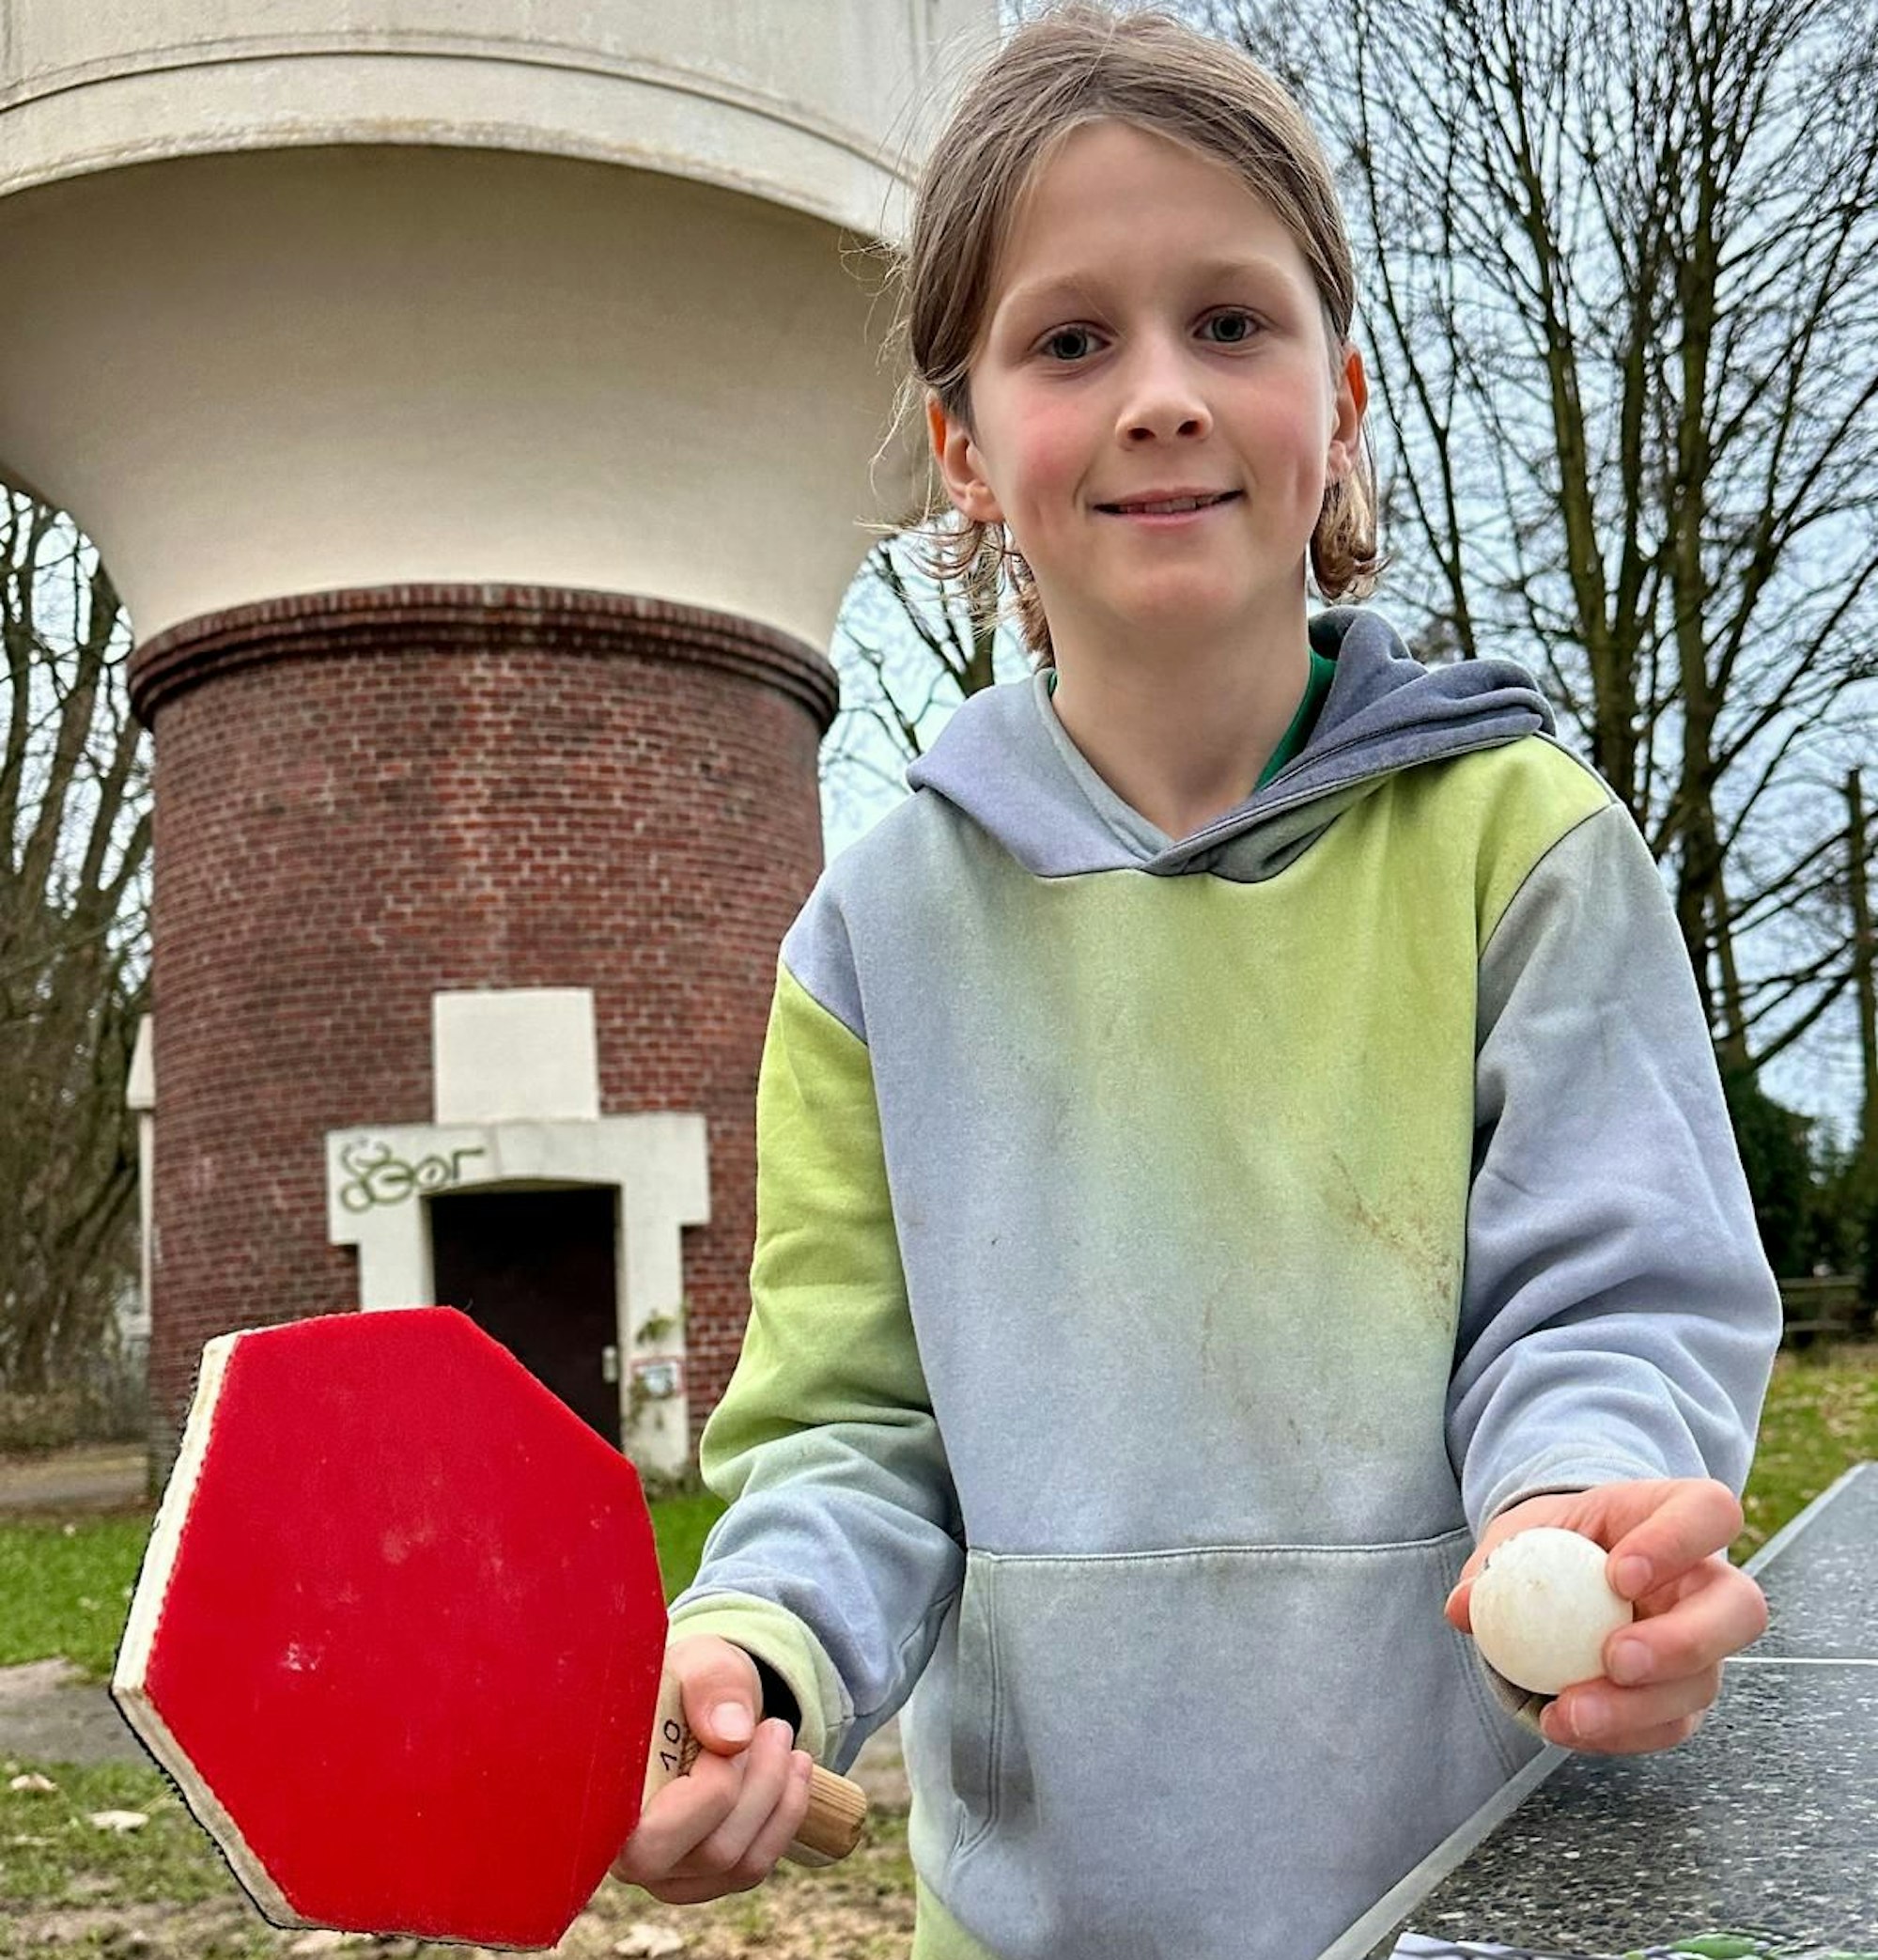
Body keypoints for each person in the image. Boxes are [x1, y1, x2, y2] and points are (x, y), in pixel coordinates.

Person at [612, 6, 1782, 1955]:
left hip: (1488, 1894)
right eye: (1071, 339)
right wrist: (762, 1647)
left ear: (1336, 399)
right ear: (964, 447)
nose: (1158, 391)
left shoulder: (1526, 845)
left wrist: (1577, 1519)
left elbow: (1607, 1286)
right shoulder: (871, 940)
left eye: (1227, 324)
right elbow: (849, 1424)